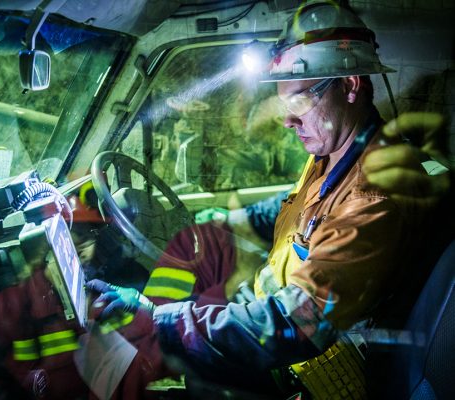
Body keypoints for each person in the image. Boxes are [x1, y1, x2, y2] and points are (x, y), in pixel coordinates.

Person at [86, 3, 452, 399]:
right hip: (271, 318)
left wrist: (160, 321)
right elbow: (299, 206)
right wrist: (223, 221)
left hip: (301, 369)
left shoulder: (375, 196)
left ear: (349, 86)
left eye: (298, 102)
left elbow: (300, 320)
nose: (286, 120)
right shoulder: (335, 152)